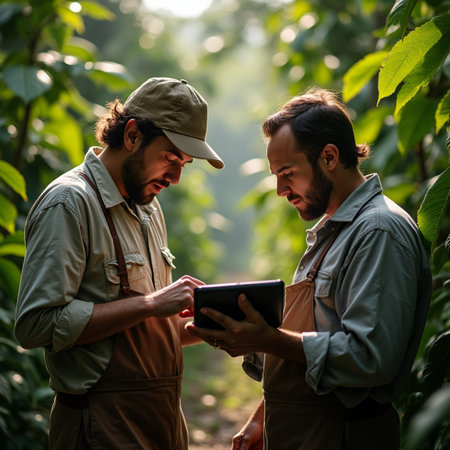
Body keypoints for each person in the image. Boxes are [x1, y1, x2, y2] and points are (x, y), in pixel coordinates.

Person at [187, 88, 432, 450]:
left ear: (330, 157)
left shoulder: (378, 231)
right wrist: (261, 415)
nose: (279, 189)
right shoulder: (334, 232)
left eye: (287, 172)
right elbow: (311, 340)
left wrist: (268, 339)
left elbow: (370, 359)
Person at [15, 77, 224, 449]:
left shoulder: (147, 208)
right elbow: (35, 325)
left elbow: (136, 330)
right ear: (132, 135)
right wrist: (151, 303)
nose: (175, 177)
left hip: (163, 422)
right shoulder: (69, 204)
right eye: (170, 159)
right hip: (101, 428)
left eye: (184, 164)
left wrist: (210, 325)